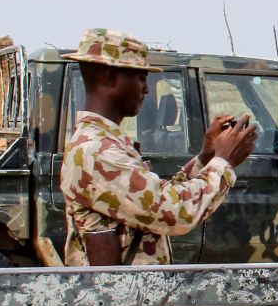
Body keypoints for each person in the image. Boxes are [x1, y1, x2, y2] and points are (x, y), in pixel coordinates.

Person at [60, 28, 257, 265]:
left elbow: (155, 198)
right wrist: (223, 163)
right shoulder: (98, 151)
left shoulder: (101, 144)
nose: (146, 89)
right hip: (121, 298)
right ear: (110, 78)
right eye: (141, 78)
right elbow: (175, 213)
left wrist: (205, 158)